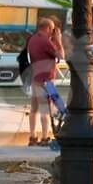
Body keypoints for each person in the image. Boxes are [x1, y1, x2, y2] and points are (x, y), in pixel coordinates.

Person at [24, 18, 66, 146]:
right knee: (45, 111)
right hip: (46, 81)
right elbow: (61, 56)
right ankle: (44, 137)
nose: (53, 32)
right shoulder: (45, 41)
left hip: (35, 78)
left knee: (34, 110)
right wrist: (58, 40)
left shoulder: (33, 39)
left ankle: (32, 136)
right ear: (47, 28)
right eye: (52, 30)